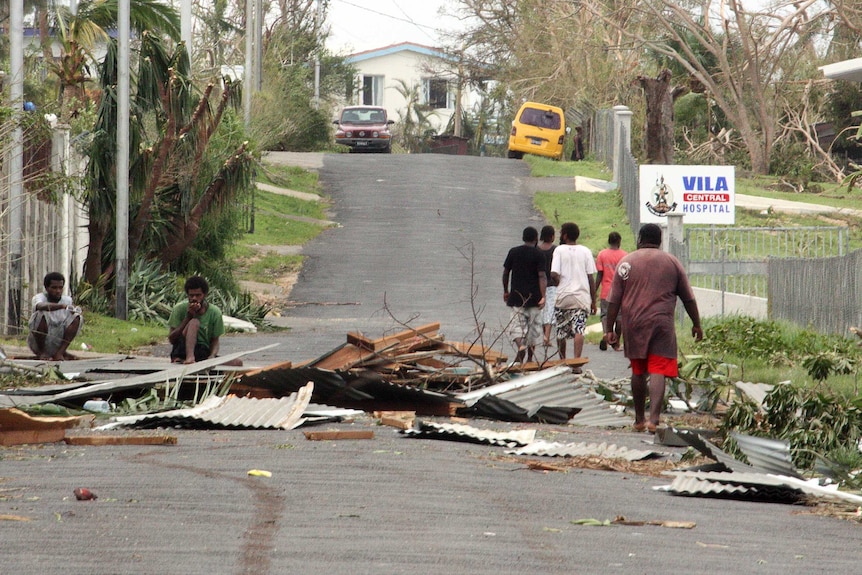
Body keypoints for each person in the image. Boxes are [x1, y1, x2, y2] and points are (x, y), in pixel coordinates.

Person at [604, 223, 703, 433]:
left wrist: (609, 328)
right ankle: (654, 420)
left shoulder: (626, 262)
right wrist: (697, 324)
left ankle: (639, 420)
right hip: (662, 324)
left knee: (638, 371)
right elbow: (688, 298)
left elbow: (613, 301)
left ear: (640, 239)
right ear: (659, 241)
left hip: (634, 323)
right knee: (658, 369)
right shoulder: (672, 262)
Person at [168, 276, 241, 366]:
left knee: (237, 362)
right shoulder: (179, 309)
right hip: (182, 351)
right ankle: (189, 358)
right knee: (194, 322)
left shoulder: (214, 312)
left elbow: (215, 341)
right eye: (191, 295)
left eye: (198, 295)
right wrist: (188, 318)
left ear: (205, 295)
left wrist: (212, 356)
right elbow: (172, 339)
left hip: (202, 352)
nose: (194, 298)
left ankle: (199, 361)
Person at [550, 222, 596, 363]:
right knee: (579, 330)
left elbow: (553, 273)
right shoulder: (586, 251)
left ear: (565, 235)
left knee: (560, 331)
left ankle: (563, 360)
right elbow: (590, 278)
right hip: (581, 297)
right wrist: (593, 301)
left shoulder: (559, 250)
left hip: (563, 296)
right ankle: (576, 362)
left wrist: (559, 283)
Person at [502, 227, 547, 363]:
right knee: (533, 329)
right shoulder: (539, 255)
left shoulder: (513, 252)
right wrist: (543, 296)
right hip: (535, 298)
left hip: (517, 297)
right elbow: (542, 276)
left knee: (516, 326)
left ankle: (520, 345)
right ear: (536, 238)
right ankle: (529, 358)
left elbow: (506, 273)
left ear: (523, 237)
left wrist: (506, 290)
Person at [27, 272, 83, 361]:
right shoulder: (39, 297)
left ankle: (60, 352)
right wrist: (61, 306)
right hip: (39, 344)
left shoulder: (67, 300)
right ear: (47, 288)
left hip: (57, 340)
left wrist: (75, 310)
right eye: (54, 288)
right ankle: (43, 353)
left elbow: (72, 320)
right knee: (40, 314)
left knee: (77, 317)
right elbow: (40, 306)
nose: (58, 291)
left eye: (60, 288)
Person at [595, 231, 628, 351]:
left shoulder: (602, 254)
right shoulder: (625, 256)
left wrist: (594, 291)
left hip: (606, 292)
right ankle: (616, 343)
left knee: (605, 315)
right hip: (620, 292)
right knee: (620, 319)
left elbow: (599, 275)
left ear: (609, 241)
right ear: (619, 241)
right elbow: (627, 276)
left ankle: (606, 333)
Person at [538, 225, 558, 347]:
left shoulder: (537, 249)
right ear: (552, 236)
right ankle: (547, 336)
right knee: (550, 310)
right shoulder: (555, 250)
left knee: (541, 309)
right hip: (552, 283)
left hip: (539, 284)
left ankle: (544, 334)